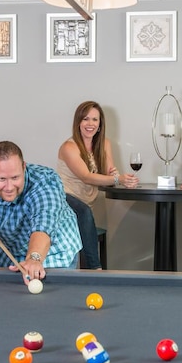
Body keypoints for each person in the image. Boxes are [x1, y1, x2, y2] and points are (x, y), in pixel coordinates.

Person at [0, 141, 82, 283]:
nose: (9, 187)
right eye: (1, 179)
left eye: (15, 178)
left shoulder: (45, 183)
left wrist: (34, 258)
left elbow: (43, 224)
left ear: (23, 168)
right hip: (8, 252)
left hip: (53, 254)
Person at [57, 101, 139, 269]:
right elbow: (86, 177)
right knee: (84, 212)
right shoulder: (69, 147)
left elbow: (110, 173)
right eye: (85, 119)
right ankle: (96, 269)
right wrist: (118, 179)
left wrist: (118, 177)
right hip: (64, 199)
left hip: (85, 203)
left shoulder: (104, 144)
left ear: (100, 124)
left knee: (85, 212)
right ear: (78, 122)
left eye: (95, 120)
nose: (90, 124)